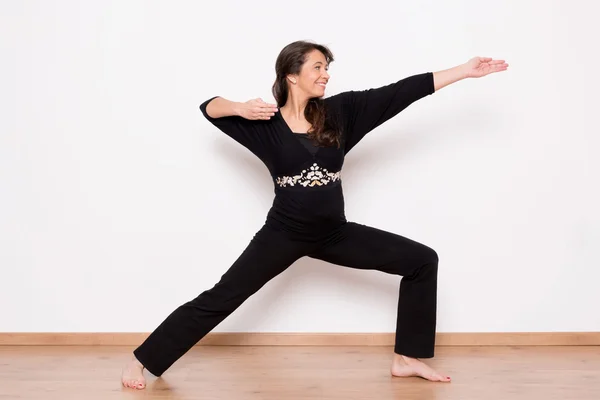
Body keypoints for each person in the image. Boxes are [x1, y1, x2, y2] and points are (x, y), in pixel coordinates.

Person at [121, 40, 508, 389]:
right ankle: (142, 361)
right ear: (292, 75)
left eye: (327, 67)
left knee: (422, 260)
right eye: (318, 67)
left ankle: (407, 358)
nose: (326, 74)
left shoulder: (341, 113)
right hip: (283, 234)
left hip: (334, 233)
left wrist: (463, 70)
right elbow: (209, 108)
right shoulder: (263, 123)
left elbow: (400, 93)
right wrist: (240, 106)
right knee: (224, 296)